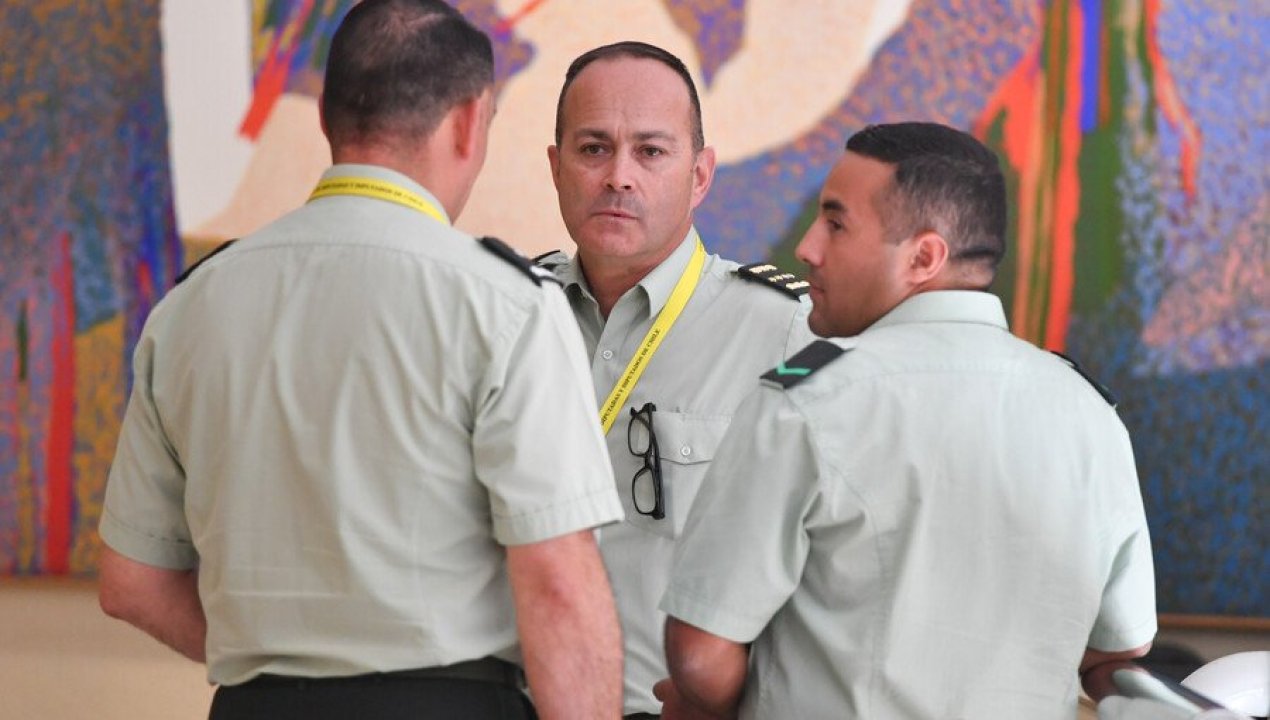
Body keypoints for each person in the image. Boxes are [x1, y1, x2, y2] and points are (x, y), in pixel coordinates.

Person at [97, 2, 624, 718]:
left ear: (326, 118)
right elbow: (558, 582)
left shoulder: (191, 306)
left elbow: (131, 582)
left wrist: (288, 657)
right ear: (470, 121)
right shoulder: (506, 305)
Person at [657, 121, 1157, 719]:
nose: (809, 248)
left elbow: (699, 656)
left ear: (924, 257)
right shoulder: (1091, 415)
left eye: (836, 224)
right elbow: (1116, 650)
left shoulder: (804, 399)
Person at [540, 41, 814, 718]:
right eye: (594, 148)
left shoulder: (789, 334)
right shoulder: (505, 312)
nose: (619, 177)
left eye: (651, 152)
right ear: (555, 166)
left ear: (699, 176)